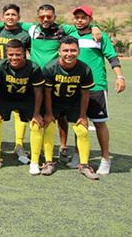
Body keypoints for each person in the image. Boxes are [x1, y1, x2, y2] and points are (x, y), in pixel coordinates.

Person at [0, 3, 102, 162]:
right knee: (39, 116)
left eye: (49, 16)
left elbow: (81, 26)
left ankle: (63, 148)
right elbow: (13, 21)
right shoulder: (33, 29)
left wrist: (95, 27)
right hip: (33, 78)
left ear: (54, 17)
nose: (45, 19)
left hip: (55, 77)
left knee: (60, 117)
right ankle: (36, 151)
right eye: (42, 17)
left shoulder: (63, 30)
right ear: (37, 17)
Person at [67, 6, 126, 175]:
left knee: (99, 123)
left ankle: (105, 159)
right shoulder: (70, 36)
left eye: (83, 17)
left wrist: (120, 77)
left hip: (96, 86)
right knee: (79, 121)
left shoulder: (99, 36)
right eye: (77, 17)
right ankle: (79, 155)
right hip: (76, 86)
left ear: (90, 20)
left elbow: (112, 57)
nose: (79, 20)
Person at [42, 36, 98, 179]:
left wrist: (82, 115)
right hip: (54, 102)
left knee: (82, 130)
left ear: (78, 51)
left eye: (73, 50)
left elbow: (85, 94)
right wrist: (48, 113)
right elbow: (47, 93)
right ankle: (49, 162)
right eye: (65, 50)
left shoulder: (84, 69)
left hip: (74, 103)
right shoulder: (50, 67)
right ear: (59, 51)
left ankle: (84, 165)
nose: (69, 54)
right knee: (48, 126)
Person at [0, 39, 44, 172]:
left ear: (24, 53)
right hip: (5, 98)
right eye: (11, 54)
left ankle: (35, 162)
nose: (14, 57)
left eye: (18, 54)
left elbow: (38, 92)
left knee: (36, 124)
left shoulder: (34, 67)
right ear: (7, 53)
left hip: (26, 99)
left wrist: (36, 113)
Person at [0, 4, 32, 164]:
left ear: (19, 17)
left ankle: (19, 145)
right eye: (7, 14)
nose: (10, 17)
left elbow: (30, 53)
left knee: (19, 112)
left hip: (17, 76)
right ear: (2, 17)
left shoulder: (25, 34)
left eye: (13, 15)